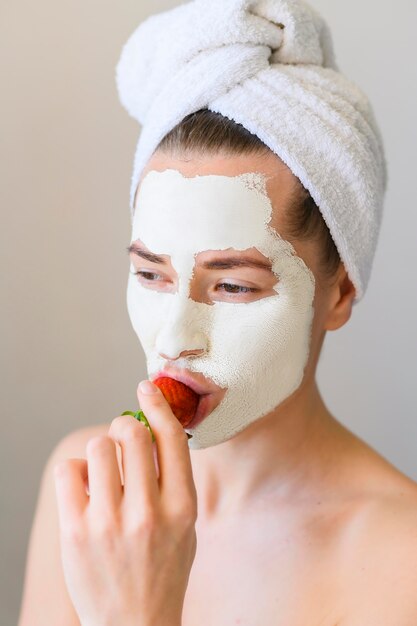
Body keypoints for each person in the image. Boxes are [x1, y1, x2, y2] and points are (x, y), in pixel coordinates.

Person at [18, 2, 417, 625]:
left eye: (232, 286)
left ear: (338, 293)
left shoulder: (404, 563)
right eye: (151, 274)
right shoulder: (88, 489)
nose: (176, 338)